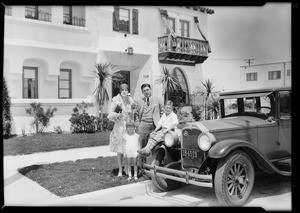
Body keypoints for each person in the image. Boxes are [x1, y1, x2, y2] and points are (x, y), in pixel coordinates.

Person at [107, 83, 135, 177]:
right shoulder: (116, 100)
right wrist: (117, 115)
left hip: (129, 127)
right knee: (120, 150)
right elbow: (110, 114)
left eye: (126, 90)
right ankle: (120, 169)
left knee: (128, 149)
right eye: (122, 90)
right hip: (119, 127)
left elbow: (133, 114)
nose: (124, 92)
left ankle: (127, 168)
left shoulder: (130, 100)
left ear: (128, 91)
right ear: (120, 91)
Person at [136, 83, 163, 163]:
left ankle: (153, 166)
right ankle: (142, 167)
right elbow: (136, 114)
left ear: (150, 90)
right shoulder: (139, 101)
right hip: (143, 125)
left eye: (147, 90)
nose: (146, 92)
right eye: (144, 91)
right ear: (142, 92)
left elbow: (162, 112)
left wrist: (161, 123)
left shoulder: (157, 100)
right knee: (143, 147)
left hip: (155, 126)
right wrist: (138, 123)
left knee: (154, 146)